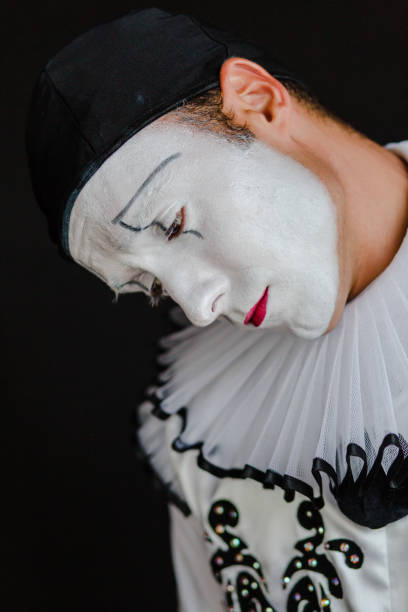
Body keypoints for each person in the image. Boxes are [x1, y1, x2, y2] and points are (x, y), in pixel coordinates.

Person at [26, 8, 408, 611]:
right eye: (151, 287)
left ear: (257, 101)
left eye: (175, 224)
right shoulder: (200, 434)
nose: (198, 307)